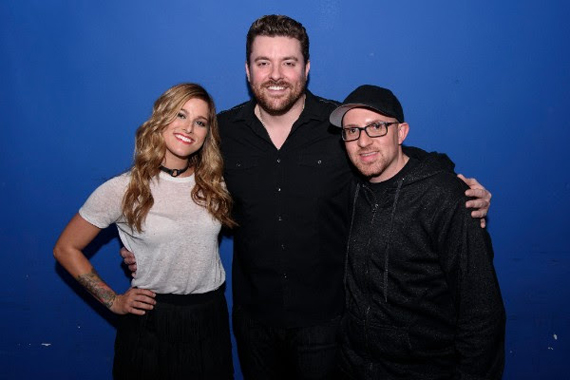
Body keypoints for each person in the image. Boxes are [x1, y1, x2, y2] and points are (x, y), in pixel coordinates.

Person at [122, 15, 492, 379]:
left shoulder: (340, 126)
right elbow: (178, 181)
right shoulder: (222, 133)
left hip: (329, 322)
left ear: (306, 68)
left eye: (289, 62)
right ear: (248, 71)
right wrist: (146, 240)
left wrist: (453, 183)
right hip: (255, 322)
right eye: (263, 62)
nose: (276, 75)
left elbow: (394, 153)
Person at [54, 83, 235, 379]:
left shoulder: (215, 186)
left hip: (209, 317)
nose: (188, 127)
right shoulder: (124, 189)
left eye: (200, 122)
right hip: (151, 322)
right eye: (180, 115)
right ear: (161, 119)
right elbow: (65, 248)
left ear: (206, 134)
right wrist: (113, 301)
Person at [329, 84, 505, 379]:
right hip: (356, 368)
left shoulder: (445, 197)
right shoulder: (352, 189)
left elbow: (482, 312)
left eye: (376, 127)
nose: (363, 141)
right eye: (352, 131)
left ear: (401, 132)